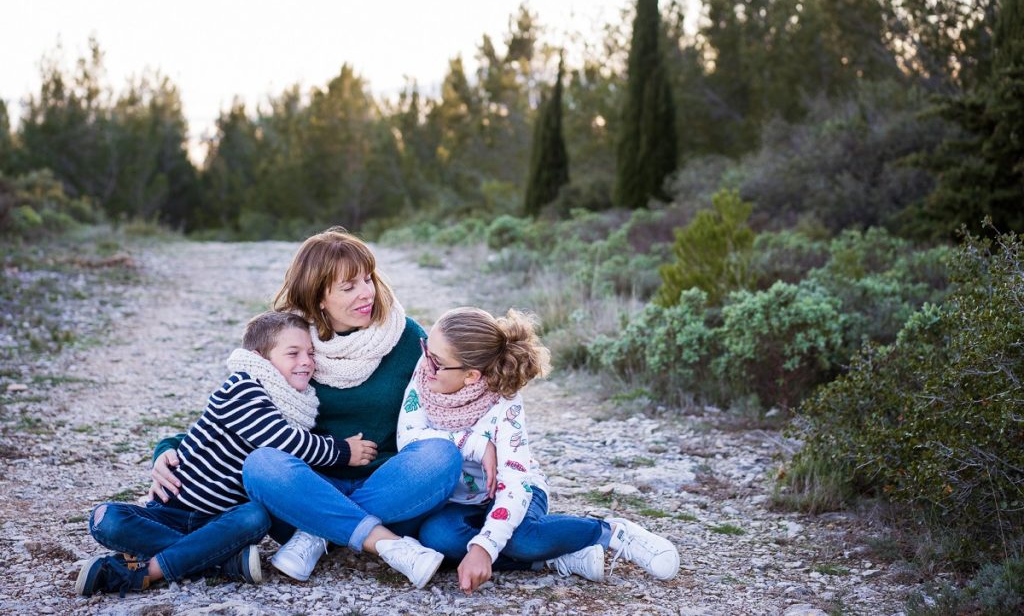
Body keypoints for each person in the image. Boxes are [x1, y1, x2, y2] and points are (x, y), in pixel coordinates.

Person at [148, 227, 463, 589]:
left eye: (367, 279)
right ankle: (379, 541)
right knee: (261, 464)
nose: (367, 293)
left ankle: (318, 535)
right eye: (349, 287)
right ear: (319, 298)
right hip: (305, 488)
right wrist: (168, 449)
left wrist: (489, 442)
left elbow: (458, 390)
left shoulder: (405, 337)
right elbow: (238, 413)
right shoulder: (292, 343)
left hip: (390, 489)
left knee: (441, 455)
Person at [399, 306, 681, 595]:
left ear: (471, 376)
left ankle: (610, 533)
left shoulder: (504, 405)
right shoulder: (424, 380)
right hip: (463, 502)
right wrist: (477, 445)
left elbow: (515, 484)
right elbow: (409, 442)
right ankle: (556, 557)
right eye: (426, 350)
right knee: (437, 537)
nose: (425, 363)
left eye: (436, 360)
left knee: (523, 540)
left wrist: (484, 547)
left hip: (519, 492)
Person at [77, 311, 353, 597]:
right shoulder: (243, 387)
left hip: (222, 520)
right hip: (169, 509)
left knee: (255, 517)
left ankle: (150, 570)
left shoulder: (299, 406)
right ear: (261, 359)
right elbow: (283, 441)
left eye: (310, 353)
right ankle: (223, 561)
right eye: (293, 353)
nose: (306, 361)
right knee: (105, 517)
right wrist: (343, 451)